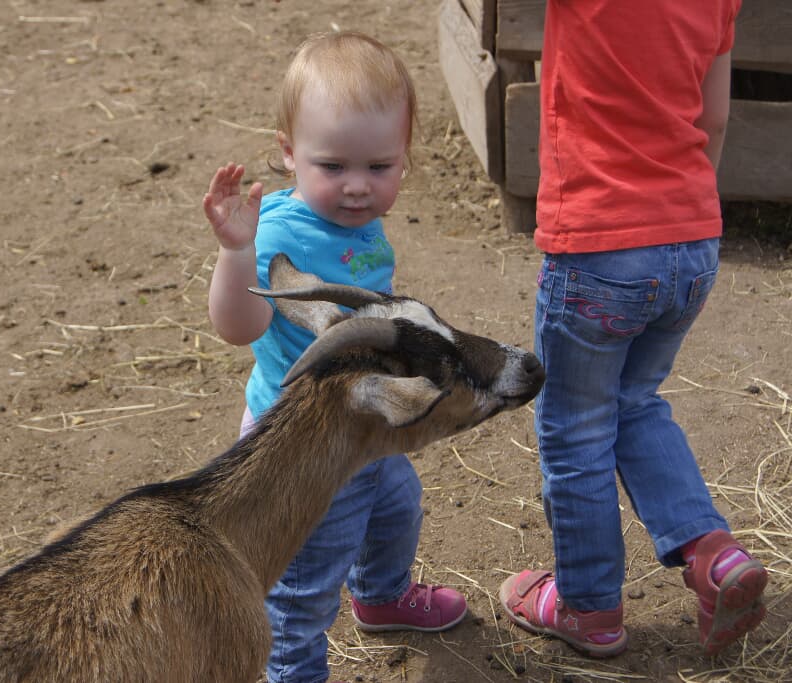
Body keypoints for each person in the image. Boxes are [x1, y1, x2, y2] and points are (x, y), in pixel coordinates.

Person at [498, 0, 768, 658]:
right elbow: (715, 117)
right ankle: (715, 555)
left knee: (576, 429)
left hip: (600, 246)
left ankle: (588, 607)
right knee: (634, 402)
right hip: (692, 239)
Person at [203, 31, 467, 683]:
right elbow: (238, 327)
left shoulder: (356, 221)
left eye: (379, 167)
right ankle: (292, 669)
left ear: (404, 156)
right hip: (301, 448)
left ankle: (380, 595)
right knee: (302, 586)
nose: (356, 187)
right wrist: (236, 252)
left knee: (396, 508)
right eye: (332, 166)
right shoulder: (279, 233)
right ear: (288, 152)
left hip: (363, 423)